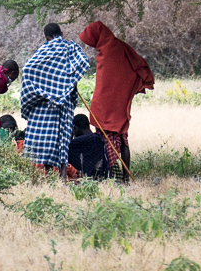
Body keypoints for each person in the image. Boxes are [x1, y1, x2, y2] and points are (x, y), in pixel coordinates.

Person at [77, 20, 154, 178]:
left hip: (105, 106)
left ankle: (108, 173)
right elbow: (132, 69)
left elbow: (108, 82)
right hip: (120, 104)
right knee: (123, 139)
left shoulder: (107, 52)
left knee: (105, 141)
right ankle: (125, 176)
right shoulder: (120, 47)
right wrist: (128, 90)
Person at [20, 23, 91, 175]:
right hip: (64, 104)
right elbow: (83, 63)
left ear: (46, 37)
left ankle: (42, 174)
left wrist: (45, 91)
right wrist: (65, 85)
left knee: (44, 140)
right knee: (62, 141)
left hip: (44, 105)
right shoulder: (71, 49)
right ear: (62, 33)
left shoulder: (44, 51)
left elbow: (27, 69)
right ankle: (63, 179)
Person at [68, 114, 112, 179]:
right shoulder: (99, 138)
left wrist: (71, 135)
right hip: (99, 176)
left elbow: (66, 151)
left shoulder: (75, 143)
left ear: (75, 128)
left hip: (81, 177)